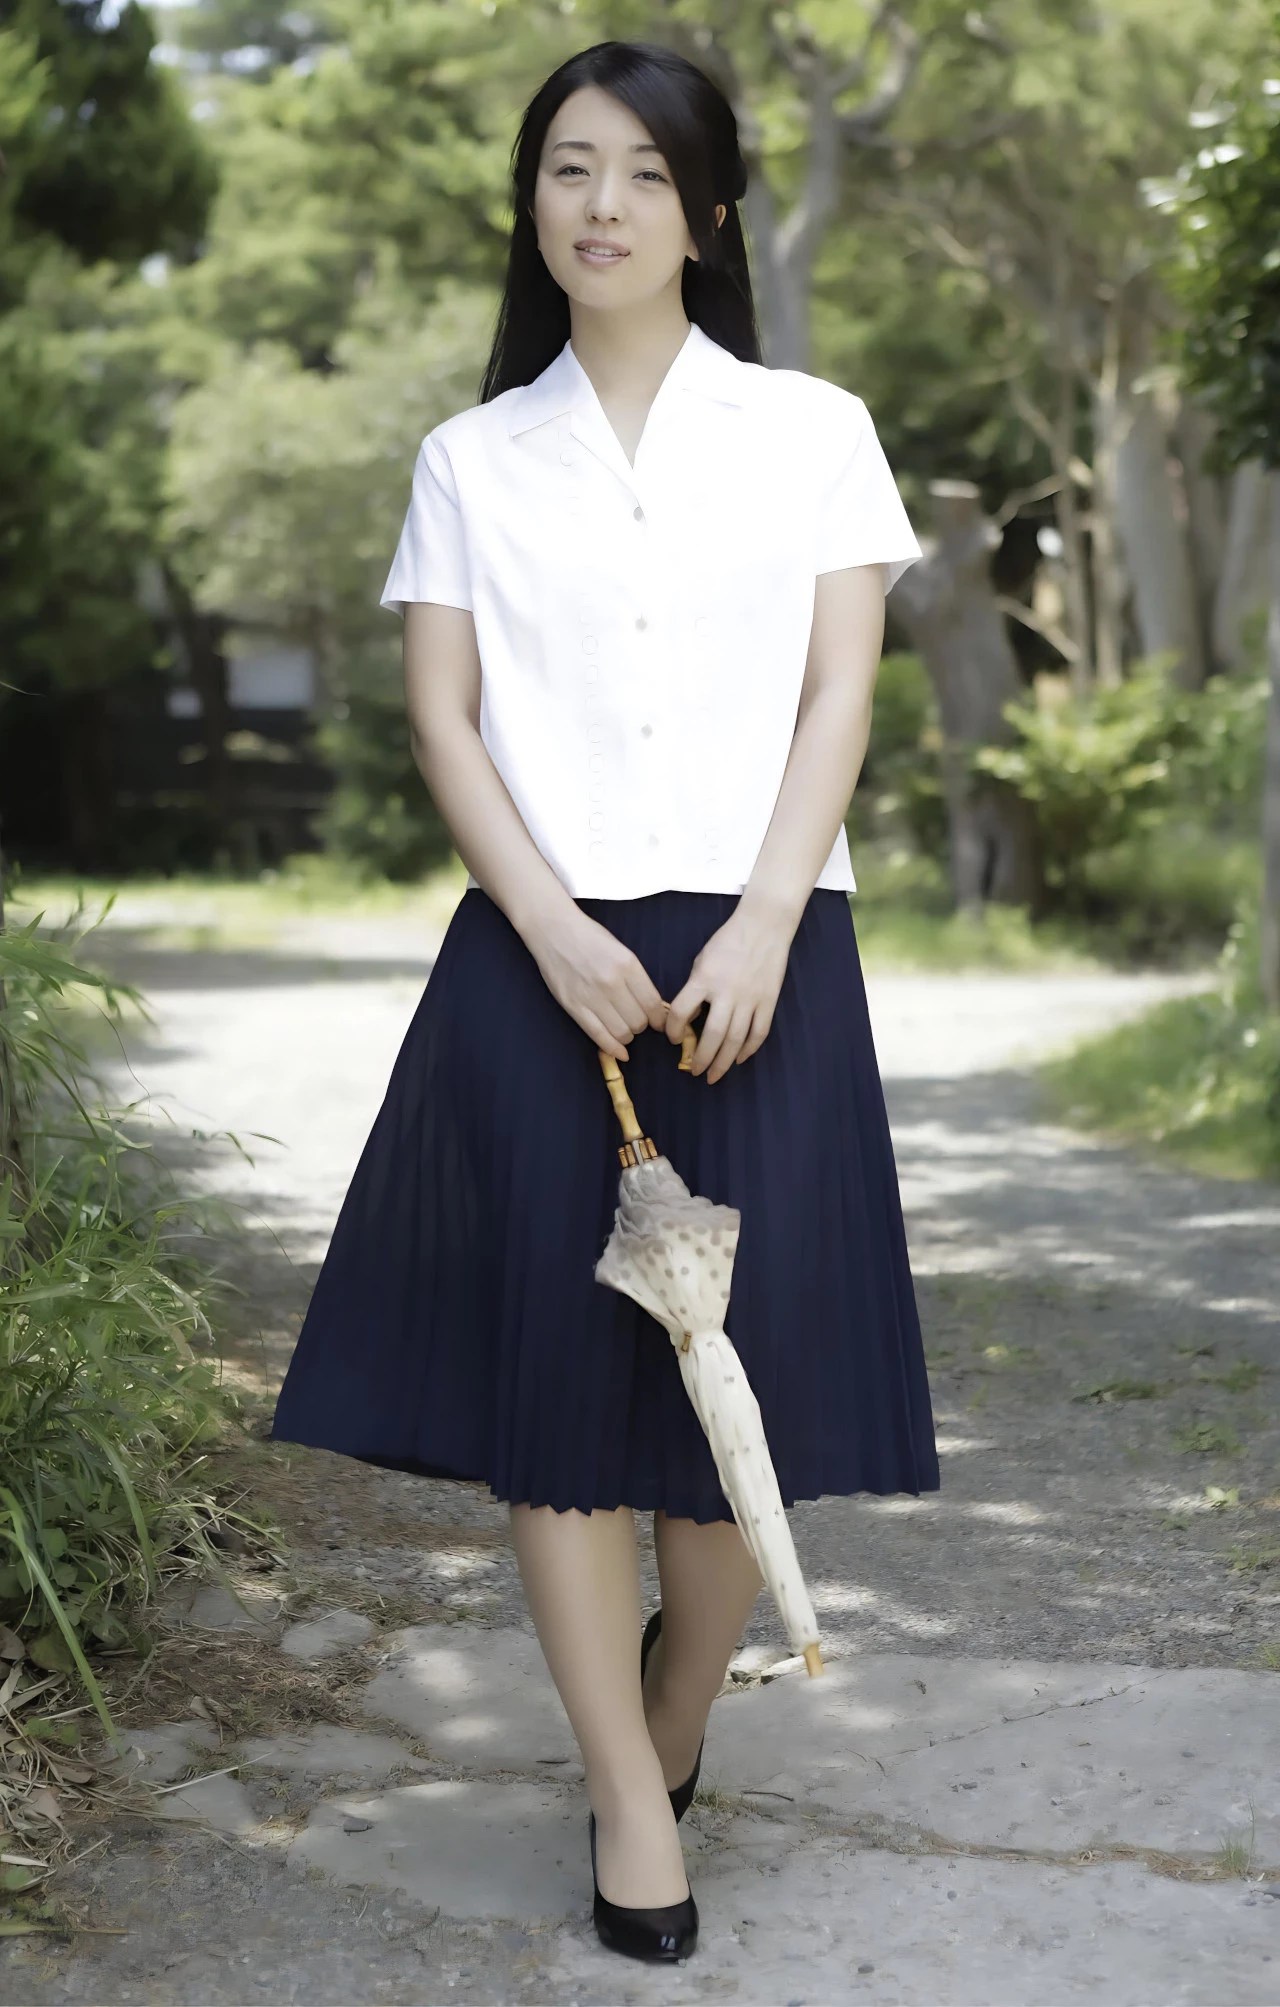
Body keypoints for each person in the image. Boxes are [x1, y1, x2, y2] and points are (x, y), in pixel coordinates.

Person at [270, 36, 940, 1967]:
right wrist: (552, 928)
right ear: (533, 202)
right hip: (537, 960)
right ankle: (632, 1803)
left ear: (707, 213)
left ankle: (674, 1710)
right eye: (571, 167)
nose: (604, 204)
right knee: (562, 1401)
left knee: (743, 1399)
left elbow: (840, 691)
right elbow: (444, 717)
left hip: (759, 958)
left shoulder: (812, 429)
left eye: (646, 173)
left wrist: (768, 920)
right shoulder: (473, 458)